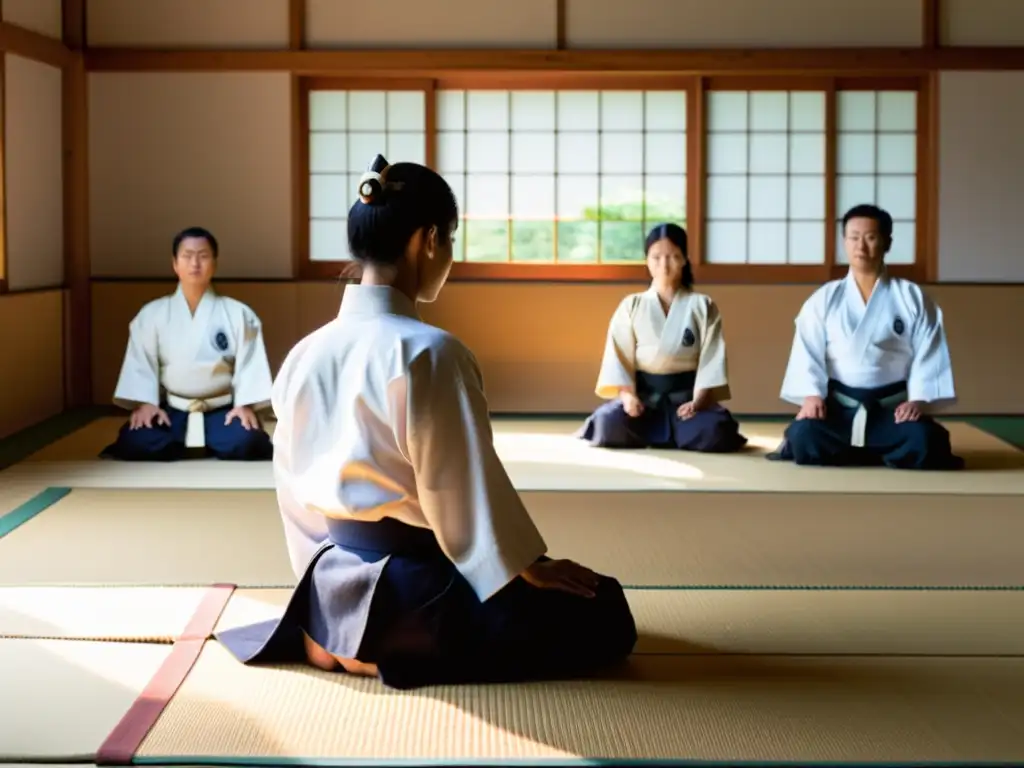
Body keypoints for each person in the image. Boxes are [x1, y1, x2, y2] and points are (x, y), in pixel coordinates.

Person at [215, 155, 637, 690]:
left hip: (330, 573)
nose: (449, 256)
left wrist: (313, 579)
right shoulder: (432, 352)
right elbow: (458, 489)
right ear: (429, 239)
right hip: (415, 590)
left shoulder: (304, 353)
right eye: (451, 240)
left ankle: (331, 631)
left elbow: (293, 492)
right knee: (605, 612)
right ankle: (387, 643)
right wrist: (525, 565)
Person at [768, 204, 963, 470]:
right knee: (805, 436)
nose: (861, 246)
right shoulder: (825, 298)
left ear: (887, 242)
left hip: (892, 411)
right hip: (839, 410)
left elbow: (929, 352)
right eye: (854, 237)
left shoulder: (911, 297)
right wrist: (811, 395)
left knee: (925, 440)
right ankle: (878, 454)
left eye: (870, 237)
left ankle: (853, 453)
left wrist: (917, 400)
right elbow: (807, 351)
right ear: (844, 242)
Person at [100, 227, 274, 462]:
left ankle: (200, 442)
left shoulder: (238, 313)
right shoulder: (152, 314)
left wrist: (245, 404)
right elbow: (140, 364)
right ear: (175, 264)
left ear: (214, 263)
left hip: (222, 410)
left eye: (203, 256)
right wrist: (145, 402)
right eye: (187, 256)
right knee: (136, 440)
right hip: (172, 410)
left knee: (248, 441)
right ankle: (196, 443)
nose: (195, 263)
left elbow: (250, 366)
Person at [577, 223, 747, 453]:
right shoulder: (632, 305)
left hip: (687, 402)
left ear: (685, 259)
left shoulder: (702, 305)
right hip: (644, 402)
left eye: (673, 256)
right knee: (609, 425)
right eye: (656, 257)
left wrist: (697, 402)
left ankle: (685, 426)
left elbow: (711, 362)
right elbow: (619, 359)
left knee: (715, 431)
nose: (664, 264)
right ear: (647, 260)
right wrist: (628, 398)